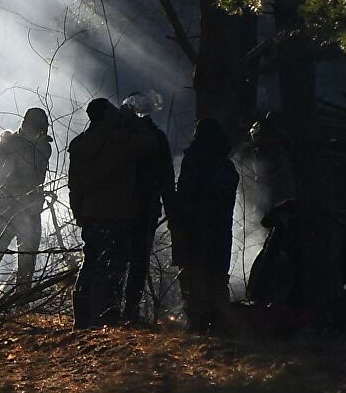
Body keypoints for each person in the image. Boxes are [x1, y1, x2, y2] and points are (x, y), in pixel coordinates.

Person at [66, 99, 158, 328]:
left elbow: (74, 184)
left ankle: (83, 317)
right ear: (107, 115)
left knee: (90, 262)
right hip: (118, 211)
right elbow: (151, 146)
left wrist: (79, 212)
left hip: (90, 213)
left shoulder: (80, 144)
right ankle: (105, 316)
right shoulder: (118, 139)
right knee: (112, 265)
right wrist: (136, 122)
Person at [0, 108, 51, 306]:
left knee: (27, 265)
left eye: (41, 131)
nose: (39, 135)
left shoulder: (44, 147)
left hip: (31, 212)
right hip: (6, 212)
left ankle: (20, 308)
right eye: (37, 130)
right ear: (25, 126)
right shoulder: (7, 146)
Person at [167, 118, 238, 332]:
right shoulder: (227, 167)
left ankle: (199, 329)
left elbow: (186, 197)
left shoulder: (194, 161)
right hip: (219, 234)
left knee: (195, 284)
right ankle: (220, 328)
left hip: (193, 234)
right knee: (217, 282)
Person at [118, 94, 175, 323]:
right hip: (143, 210)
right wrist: (171, 210)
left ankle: (114, 311)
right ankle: (130, 312)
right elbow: (167, 179)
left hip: (127, 209)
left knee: (121, 259)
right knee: (137, 262)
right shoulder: (156, 138)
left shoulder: (121, 136)